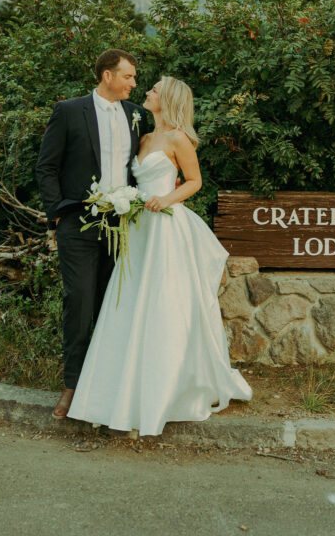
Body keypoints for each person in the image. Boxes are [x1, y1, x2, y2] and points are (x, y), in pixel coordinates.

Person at [67, 75, 252, 436]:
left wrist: (166, 198)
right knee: (129, 302)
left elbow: (195, 181)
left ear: (168, 99)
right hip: (138, 229)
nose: (146, 92)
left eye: (153, 90)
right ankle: (119, 392)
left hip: (165, 228)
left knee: (164, 303)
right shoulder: (144, 138)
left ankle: (166, 390)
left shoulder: (178, 139)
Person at [36, 49, 149, 420]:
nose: (134, 83)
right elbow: (46, 167)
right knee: (80, 301)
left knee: (114, 304)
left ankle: (107, 388)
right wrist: (56, 215)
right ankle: (72, 385)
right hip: (79, 223)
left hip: (123, 226)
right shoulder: (69, 111)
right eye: (128, 76)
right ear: (107, 76)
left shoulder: (137, 115)